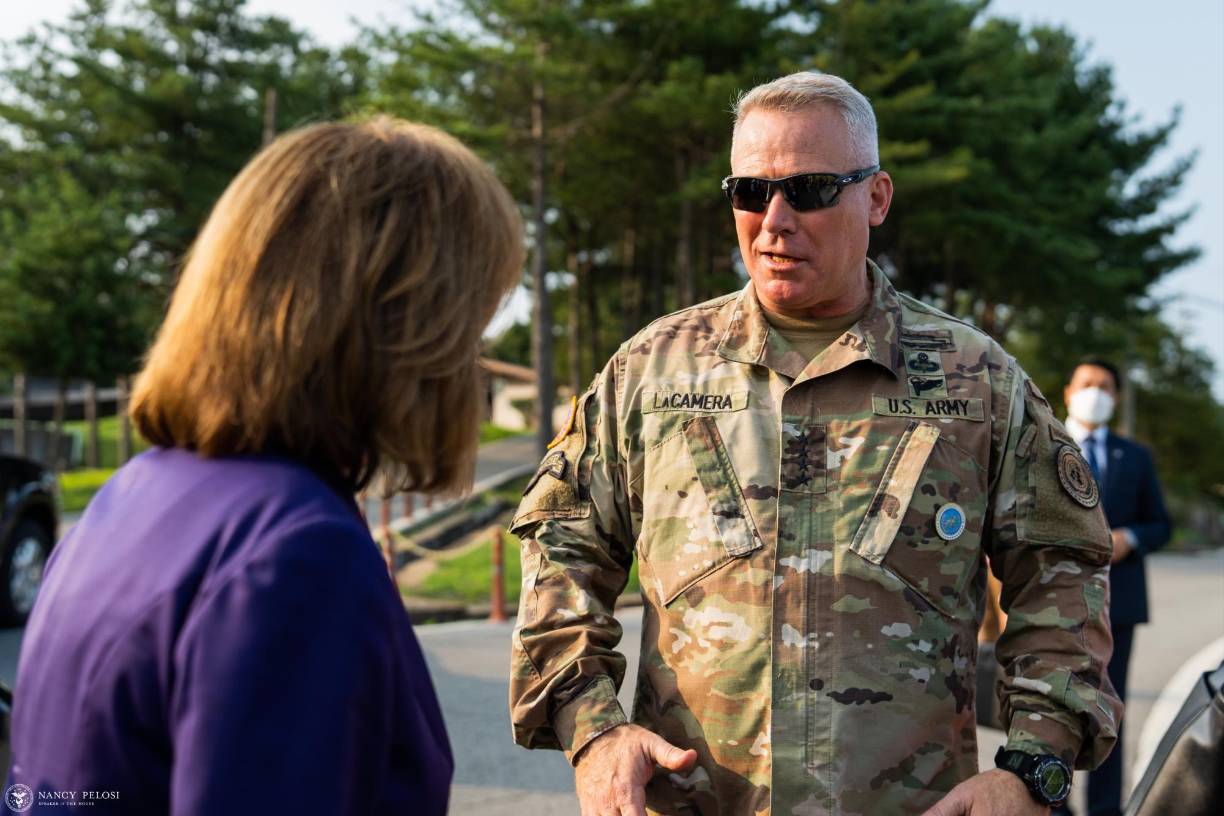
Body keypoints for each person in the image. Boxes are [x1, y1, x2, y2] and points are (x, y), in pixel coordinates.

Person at [508, 72, 1122, 816]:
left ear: (878, 197)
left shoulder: (975, 381)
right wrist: (595, 732)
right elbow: (562, 548)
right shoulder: (651, 372)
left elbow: (1063, 577)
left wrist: (1030, 770)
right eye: (748, 192)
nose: (773, 221)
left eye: (810, 190)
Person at [4, 117, 523, 814]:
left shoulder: (136, 492)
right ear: (405, 327)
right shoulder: (294, 557)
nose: (476, 359)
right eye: (472, 322)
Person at [1057, 358, 1171, 816]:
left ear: (1117, 397)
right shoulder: (1039, 442)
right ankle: (1051, 804)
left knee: (1106, 715)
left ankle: (1106, 810)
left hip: (1116, 606)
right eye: (1087, 384)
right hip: (1051, 605)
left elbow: (1161, 524)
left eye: (1105, 386)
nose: (1095, 393)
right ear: (1068, 391)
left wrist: (1133, 537)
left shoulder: (1136, 456)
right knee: (1051, 711)